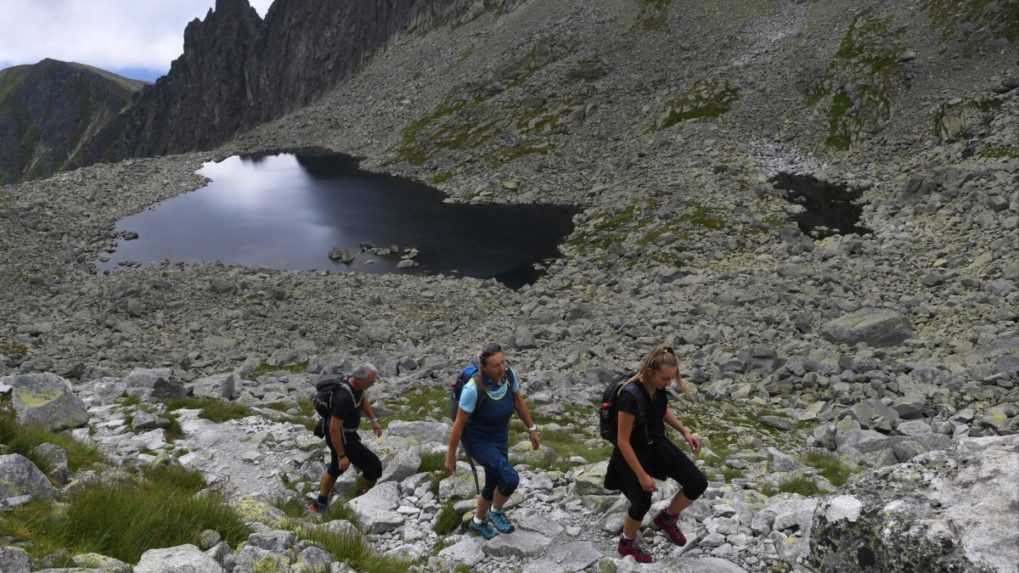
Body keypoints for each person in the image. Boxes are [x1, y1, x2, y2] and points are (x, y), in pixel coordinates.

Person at [604, 346, 708, 563]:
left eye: (671, 379)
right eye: (664, 379)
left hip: (657, 444)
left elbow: (661, 410)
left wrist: (685, 431)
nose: (668, 383)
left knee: (697, 482)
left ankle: (667, 518)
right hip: (632, 451)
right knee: (642, 501)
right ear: (650, 372)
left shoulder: (657, 388)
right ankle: (626, 542)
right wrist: (642, 475)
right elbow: (622, 441)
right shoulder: (630, 397)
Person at [445, 344, 541, 539]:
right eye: (496, 365)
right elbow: (458, 424)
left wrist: (532, 428)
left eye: (503, 362)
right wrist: (451, 456)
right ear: (485, 367)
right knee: (510, 478)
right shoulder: (473, 389)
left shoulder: (509, 376)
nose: (502, 367)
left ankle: (478, 521)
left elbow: (517, 401)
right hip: (478, 440)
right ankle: (496, 511)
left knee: (494, 479)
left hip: (499, 435)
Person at [309, 364, 384, 514]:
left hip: (347, 433)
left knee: (339, 468)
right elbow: (334, 428)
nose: (372, 384)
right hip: (340, 435)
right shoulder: (343, 397)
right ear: (360, 379)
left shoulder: (356, 386)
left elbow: (362, 400)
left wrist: (373, 420)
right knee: (373, 466)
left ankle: (320, 504)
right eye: (371, 382)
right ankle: (359, 498)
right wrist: (342, 455)